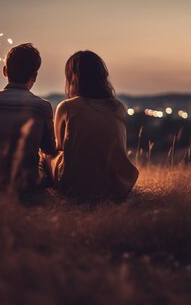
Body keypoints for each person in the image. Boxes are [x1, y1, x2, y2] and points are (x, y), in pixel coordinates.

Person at [52, 50, 139, 202]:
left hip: (75, 188)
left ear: (73, 76)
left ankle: (32, 191)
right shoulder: (118, 107)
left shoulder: (66, 106)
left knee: (44, 154)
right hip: (117, 186)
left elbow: (59, 146)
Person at [0, 43, 57, 194]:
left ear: (5, 71)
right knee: (47, 159)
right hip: (26, 184)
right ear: (35, 76)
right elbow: (49, 149)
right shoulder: (42, 106)